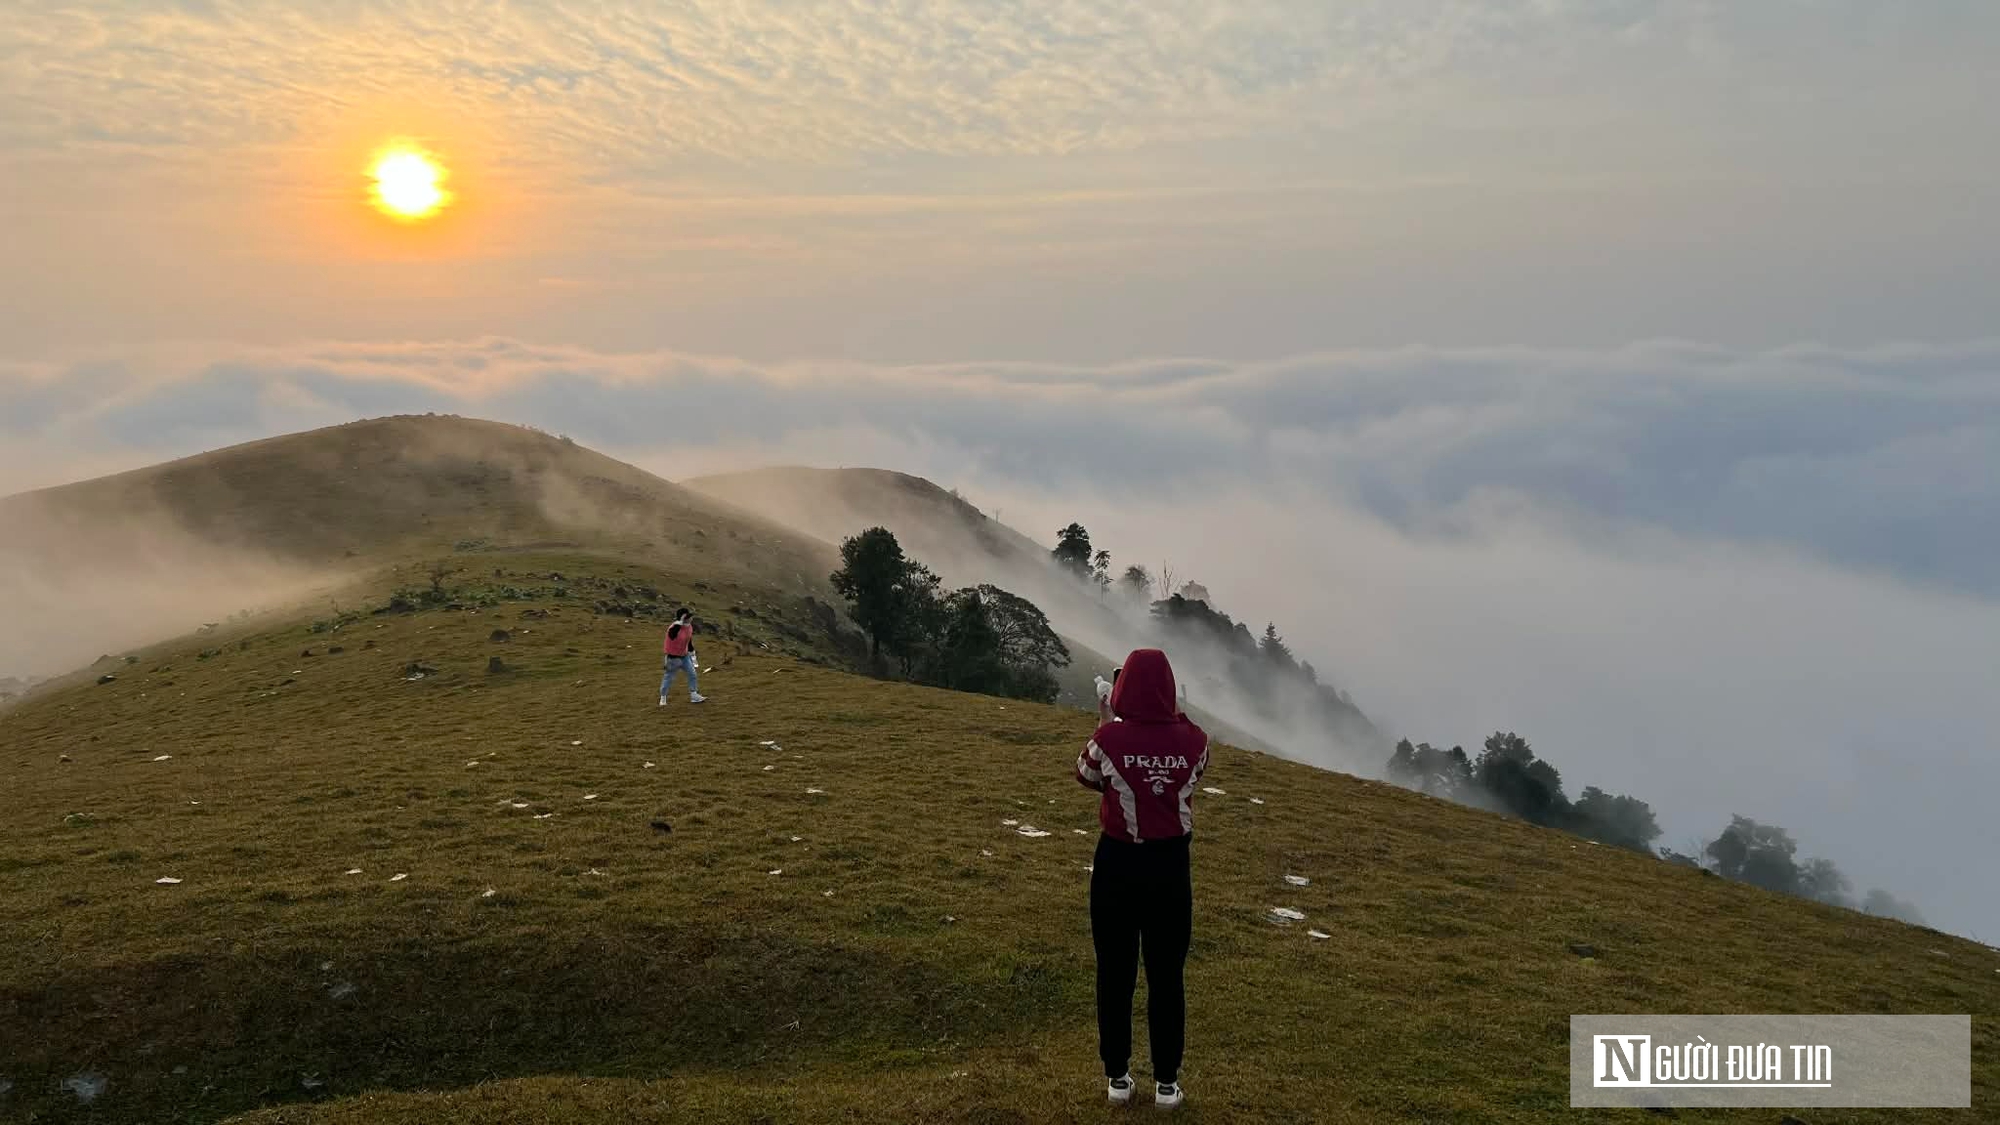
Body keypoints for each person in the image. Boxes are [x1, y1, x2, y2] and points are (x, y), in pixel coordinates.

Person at [1075, 648, 1208, 1110]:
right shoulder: (1196, 740)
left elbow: (1086, 775)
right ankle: (1167, 1085)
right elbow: (1191, 773)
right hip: (1171, 869)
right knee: (1167, 975)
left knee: (1115, 971)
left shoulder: (1108, 739)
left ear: (1122, 686)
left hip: (1117, 864)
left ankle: (1117, 1078)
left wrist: (1107, 720)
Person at [659, 608, 706, 705]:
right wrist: (680, 621)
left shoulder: (689, 627)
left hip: (684, 656)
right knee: (669, 678)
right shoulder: (674, 627)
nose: (691, 618)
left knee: (692, 674)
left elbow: (688, 640)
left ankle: (694, 695)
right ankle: (663, 697)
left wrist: (692, 654)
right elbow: (672, 636)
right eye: (688, 617)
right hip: (672, 658)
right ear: (683, 618)